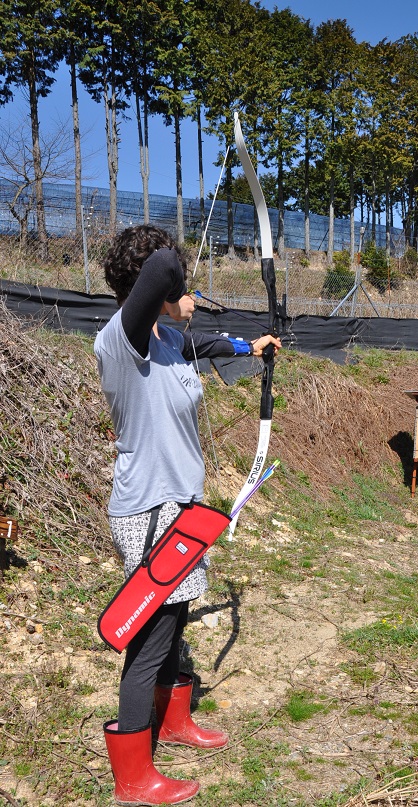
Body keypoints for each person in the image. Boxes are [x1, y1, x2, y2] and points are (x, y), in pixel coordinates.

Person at [94, 224, 281, 805]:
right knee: (148, 639)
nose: (185, 293)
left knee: (174, 624)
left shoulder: (170, 340)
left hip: (180, 508)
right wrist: (177, 286)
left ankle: (173, 722)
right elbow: (162, 272)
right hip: (148, 510)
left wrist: (253, 347)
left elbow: (209, 346)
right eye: (179, 285)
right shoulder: (122, 340)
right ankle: (133, 775)